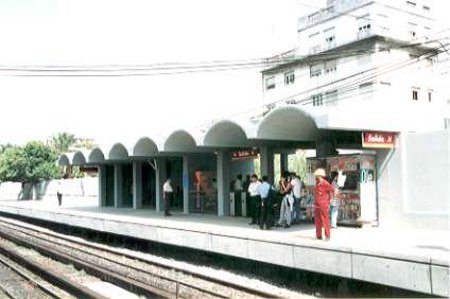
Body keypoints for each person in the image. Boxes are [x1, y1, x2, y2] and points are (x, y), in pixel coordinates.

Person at [314, 168, 335, 240]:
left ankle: (327, 235)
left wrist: (331, 199)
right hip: (317, 204)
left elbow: (332, 190)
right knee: (317, 220)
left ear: (320, 176)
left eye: (317, 176)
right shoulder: (317, 183)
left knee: (325, 220)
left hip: (323, 204)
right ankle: (318, 235)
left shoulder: (325, 183)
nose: (316, 177)